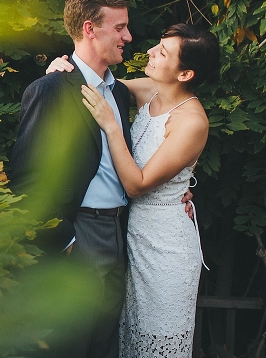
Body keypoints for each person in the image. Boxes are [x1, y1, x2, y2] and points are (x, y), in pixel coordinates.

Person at [9, 0, 193, 358]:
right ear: (90, 29)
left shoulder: (121, 93)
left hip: (120, 232)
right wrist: (66, 243)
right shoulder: (52, 90)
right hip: (79, 234)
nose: (128, 36)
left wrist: (180, 190)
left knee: (105, 346)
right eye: (120, 27)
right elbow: (25, 180)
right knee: (68, 346)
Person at [46, 23, 220, 357]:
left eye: (164, 52)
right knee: (129, 341)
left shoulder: (192, 122)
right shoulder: (148, 90)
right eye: (158, 44)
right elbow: (92, 84)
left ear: (185, 74)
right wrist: (59, 67)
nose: (151, 52)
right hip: (133, 238)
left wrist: (112, 125)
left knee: (158, 344)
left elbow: (137, 185)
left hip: (167, 248)